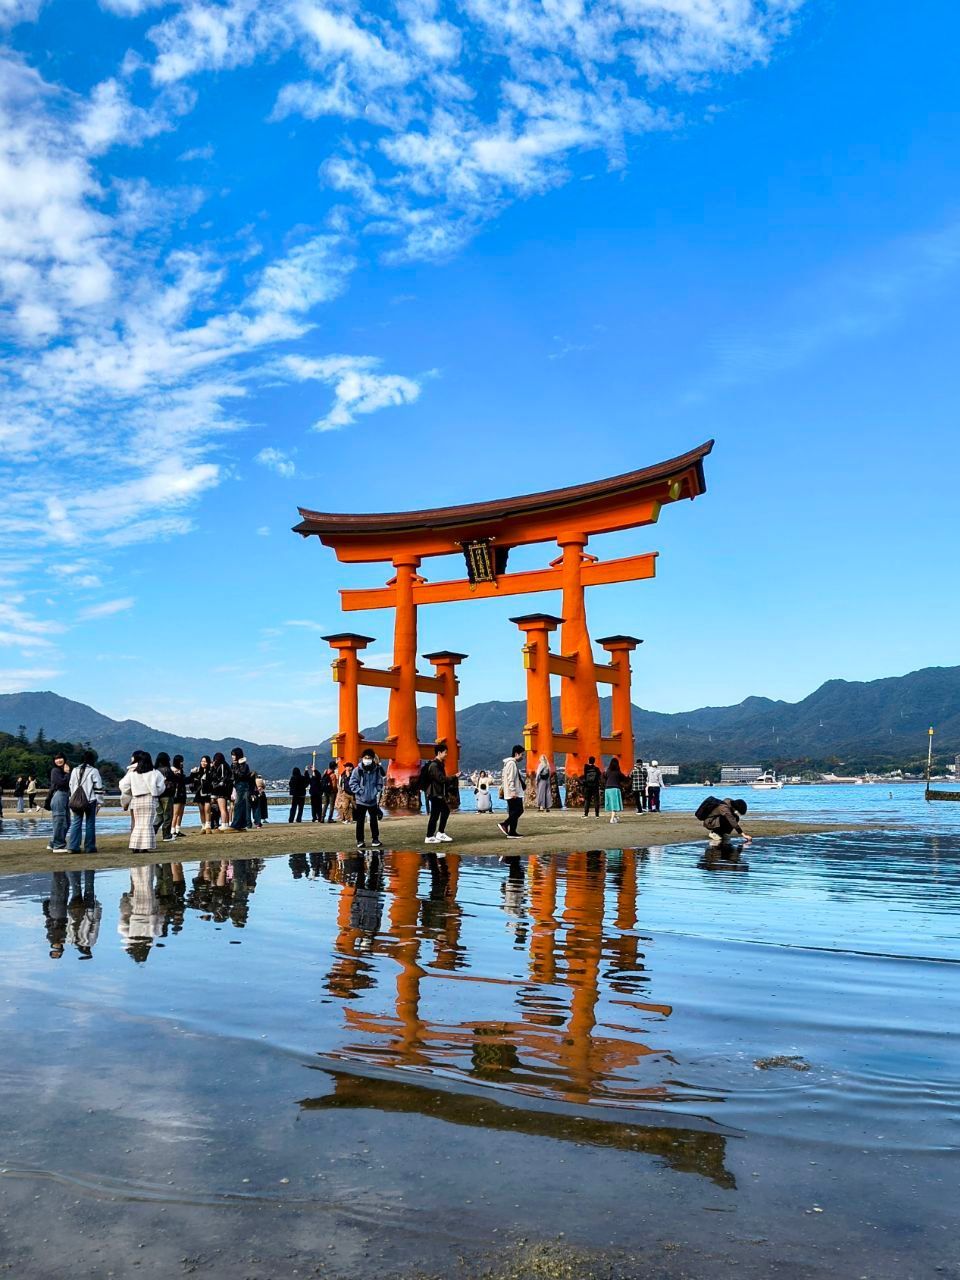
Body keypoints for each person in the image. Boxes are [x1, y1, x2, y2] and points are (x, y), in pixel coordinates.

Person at [119, 750, 166, 852]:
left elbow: (123, 785)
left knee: (138, 824)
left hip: (136, 799)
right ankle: (144, 847)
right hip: (149, 799)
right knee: (147, 824)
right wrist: (155, 792)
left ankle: (135, 846)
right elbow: (161, 787)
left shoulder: (133, 773)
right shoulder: (155, 773)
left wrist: (131, 790)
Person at [67, 750, 103, 854]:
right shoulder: (93, 771)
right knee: (90, 823)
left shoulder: (74, 770)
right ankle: (89, 847)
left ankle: (73, 846)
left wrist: (72, 798)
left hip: (75, 800)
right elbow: (98, 788)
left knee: (76, 822)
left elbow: (71, 785)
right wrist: (100, 802)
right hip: (90, 800)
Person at [349, 749, 385, 851]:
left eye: (369, 758)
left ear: (373, 759)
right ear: (362, 758)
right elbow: (352, 783)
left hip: (372, 799)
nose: (367, 760)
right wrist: (359, 791)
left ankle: (375, 839)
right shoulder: (357, 770)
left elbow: (380, 782)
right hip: (361, 800)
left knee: (374, 820)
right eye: (365, 758)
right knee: (360, 821)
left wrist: (376, 790)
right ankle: (360, 841)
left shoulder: (376, 769)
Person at [424, 741, 452, 845]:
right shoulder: (434, 765)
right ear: (439, 753)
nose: (446, 754)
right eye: (445, 752)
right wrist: (453, 778)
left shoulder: (439, 764)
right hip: (435, 793)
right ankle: (431, 835)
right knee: (437, 814)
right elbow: (440, 779)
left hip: (437, 793)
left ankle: (437, 833)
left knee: (442, 812)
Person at [497, 745, 525, 839]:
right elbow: (510, 779)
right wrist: (513, 791)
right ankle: (505, 824)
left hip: (510, 792)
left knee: (513, 812)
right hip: (513, 792)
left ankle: (512, 832)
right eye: (522, 754)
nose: (522, 757)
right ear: (516, 754)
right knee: (519, 810)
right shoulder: (511, 763)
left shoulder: (507, 764)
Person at [47, 751, 71, 852]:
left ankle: (54, 842)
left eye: (60, 758)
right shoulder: (55, 771)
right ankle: (58, 845)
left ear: (64, 759)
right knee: (59, 821)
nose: (59, 760)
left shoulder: (62, 770)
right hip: (59, 795)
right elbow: (61, 783)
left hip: (64, 795)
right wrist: (67, 773)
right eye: (56, 758)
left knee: (67, 822)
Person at [153, 751, 175, 842]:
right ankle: (166, 835)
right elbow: (173, 781)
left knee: (159, 815)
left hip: (157, 796)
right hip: (167, 796)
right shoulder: (167, 770)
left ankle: (152, 832)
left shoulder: (155, 770)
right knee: (168, 816)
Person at [229, 747, 252, 831]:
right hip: (237, 786)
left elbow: (241, 775)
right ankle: (241, 824)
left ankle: (236, 824)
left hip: (243, 786)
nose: (232, 757)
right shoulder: (233, 764)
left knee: (238, 805)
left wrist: (236, 767)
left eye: (234, 755)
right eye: (232, 755)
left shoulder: (244, 765)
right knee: (240, 805)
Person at [191, 756, 214, 833]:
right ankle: (203, 826)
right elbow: (191, 780)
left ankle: (208, 826)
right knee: (201, 810)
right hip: (199, 793)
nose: (203, 763)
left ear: (208, 762)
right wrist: (192, 773)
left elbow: (213, 781)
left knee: (207, 809)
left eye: (205, 761)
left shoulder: (210, 771)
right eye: (202, 761)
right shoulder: (197, 772)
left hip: (207, 793)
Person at [211, 751, 232, 829]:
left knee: (222, 808)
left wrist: (213, 767)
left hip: (221, 789)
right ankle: (226, 824)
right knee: (224, 808)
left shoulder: (222, 766)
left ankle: (223, 824)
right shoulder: (226, 765)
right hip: (225, 789)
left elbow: (221, 778)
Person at [170, 755, 188, 839]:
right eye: (181, 761)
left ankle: (177, 830)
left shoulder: (180, 771)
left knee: (180, 813)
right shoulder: (173, 771)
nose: (182, 763)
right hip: (176, 795)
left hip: (182, 793)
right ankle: (172, 830)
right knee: (175, 814)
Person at [604, 757, 626, 824]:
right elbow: (624, 778)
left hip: (607, 789)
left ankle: (615, 818)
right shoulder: (618, 772)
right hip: (615, 789)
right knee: (615, 805)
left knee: (611, 804)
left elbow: (605, 777)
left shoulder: (608, 771)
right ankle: (612, 819)